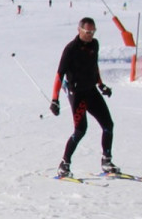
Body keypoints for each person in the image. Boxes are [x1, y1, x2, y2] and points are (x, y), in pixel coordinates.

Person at [49, 17, 118, 177]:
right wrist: (55, 99)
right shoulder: (71, 49)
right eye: (88, 32)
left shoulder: (94, 45)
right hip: (77, 92)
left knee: (108, 124)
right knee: (80, 130)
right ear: (79, 30)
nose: (91, 35)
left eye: (93, 31)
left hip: (91, 90)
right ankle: (64, 164)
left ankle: (106, 160)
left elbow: (94, 67)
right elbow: (59, 75)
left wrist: (101, 85)